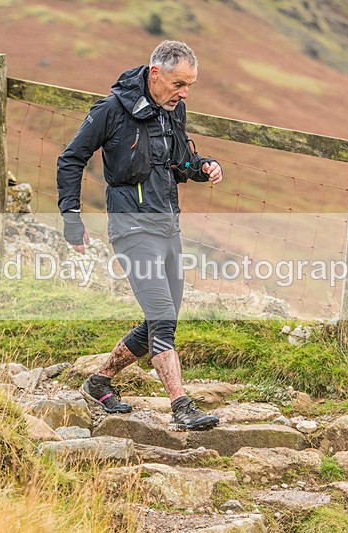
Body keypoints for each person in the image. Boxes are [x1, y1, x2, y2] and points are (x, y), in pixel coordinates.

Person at [57, 40, 224, 431]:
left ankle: (98, 382)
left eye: (189, 86)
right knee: (163, 316)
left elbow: (180, 161)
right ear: (155, 74)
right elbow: (71, 158)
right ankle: (181, 406)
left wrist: (205, 167)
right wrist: (71, 216)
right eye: (179, 84)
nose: (184, 94)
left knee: (159, 322)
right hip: (131, 228)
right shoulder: (111, 110)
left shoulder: (173, 110)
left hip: (168, 226)